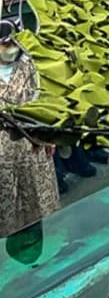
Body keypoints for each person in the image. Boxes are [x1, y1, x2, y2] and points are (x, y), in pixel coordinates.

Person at [0, 36, 60, 237]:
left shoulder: (31, 63)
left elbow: (46, 99)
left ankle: (40, 254)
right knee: (8, 211)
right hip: (3, 154)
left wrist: (50, 133)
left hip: (33, 145)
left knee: (37, 208)